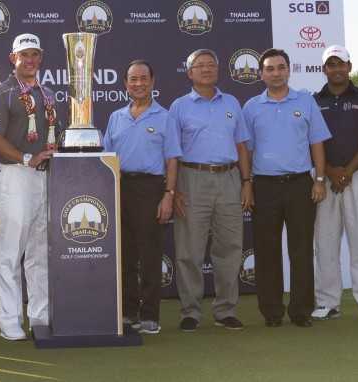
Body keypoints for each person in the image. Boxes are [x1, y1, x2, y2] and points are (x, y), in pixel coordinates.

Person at [243, 48, 331, 328]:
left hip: (299, 185)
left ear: (289, 70)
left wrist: (319, 179)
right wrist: (247, 184)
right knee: (267, 251)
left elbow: (317, 142)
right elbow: (245, 149)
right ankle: (271, 312)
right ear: (261, 74)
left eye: (281, 67)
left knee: (301, 250)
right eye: (270, 69)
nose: (276, 73)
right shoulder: (251, 107)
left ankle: (301, 310)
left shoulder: (305, 102)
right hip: (264, 186)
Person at [169, 48, 253, 332]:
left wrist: (246, 182)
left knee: (229, 249)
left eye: (211, 65)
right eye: (200, 65)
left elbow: (242, 146)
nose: (206, 69)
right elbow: (172, 153)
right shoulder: (179, 106)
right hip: (192, 179)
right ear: (190, 72)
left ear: (218, 70)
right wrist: (174, 189)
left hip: (229, 179)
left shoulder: (231, 102)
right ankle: (190, 311)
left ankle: (225, 310)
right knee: (189, 250)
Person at [0, 33, 60, 341]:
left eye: (35, 55)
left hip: (46, 176)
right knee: (10, 252)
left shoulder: (48, 94)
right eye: (24, 55)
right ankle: (10, 320)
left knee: (40, 253)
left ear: (41, 58)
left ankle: (40, 317)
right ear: (12, 58)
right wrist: (27, 158)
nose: (30, 60)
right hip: (16, 175)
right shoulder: (1, 94)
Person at [103, 59, 181, 334]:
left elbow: (172, 160)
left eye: (143, 78)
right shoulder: (116, 117)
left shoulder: (165, 117)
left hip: (151, 190)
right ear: (125, 84)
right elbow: (107, 158)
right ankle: (127, 313)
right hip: (120, 188)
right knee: (124, 255)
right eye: (133, 79)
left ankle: (150, 316)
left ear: (152, 82)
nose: (138, 84)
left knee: (150, 256)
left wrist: (168, 195)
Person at [311, 45, 358, 322]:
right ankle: (328, 302)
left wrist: (348, 171)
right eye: (331, 64)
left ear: (349, 67)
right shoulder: (314, 101)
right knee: (325, 241)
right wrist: (330, 171)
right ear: (324, 69)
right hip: (323, 175)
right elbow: (312, 141)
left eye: (340, 64)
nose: (336, 69)